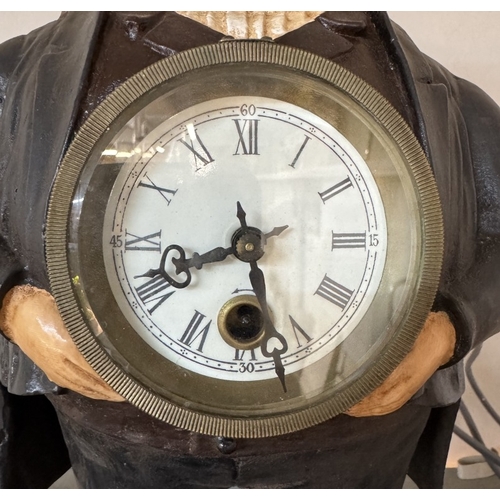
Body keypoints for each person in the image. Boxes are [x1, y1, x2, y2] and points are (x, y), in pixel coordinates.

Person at [0, 11, 499, 488]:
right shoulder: (24, 72)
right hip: (125, 452)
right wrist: (14, 306)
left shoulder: (438, 92)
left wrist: (449, 328)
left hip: (353, 453)